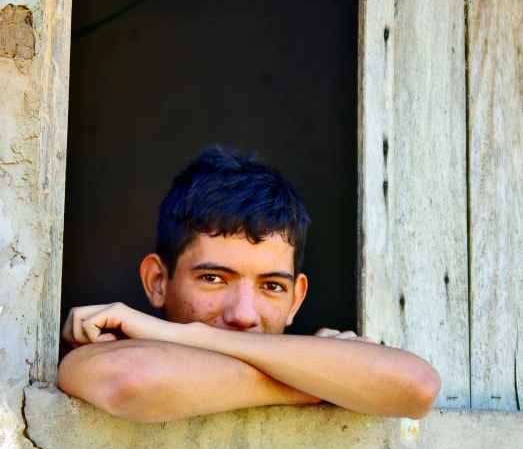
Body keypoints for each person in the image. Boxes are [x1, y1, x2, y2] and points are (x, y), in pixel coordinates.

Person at [58, 146, 440, 422]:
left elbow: (417, 387)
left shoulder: (183, 331)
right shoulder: (101, 349)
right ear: (158, 281)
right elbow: (133, 380)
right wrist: (328, 383)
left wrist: (182, 334)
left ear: (297, 299)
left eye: (272, 286)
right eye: (212, 278)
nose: (243, 314)